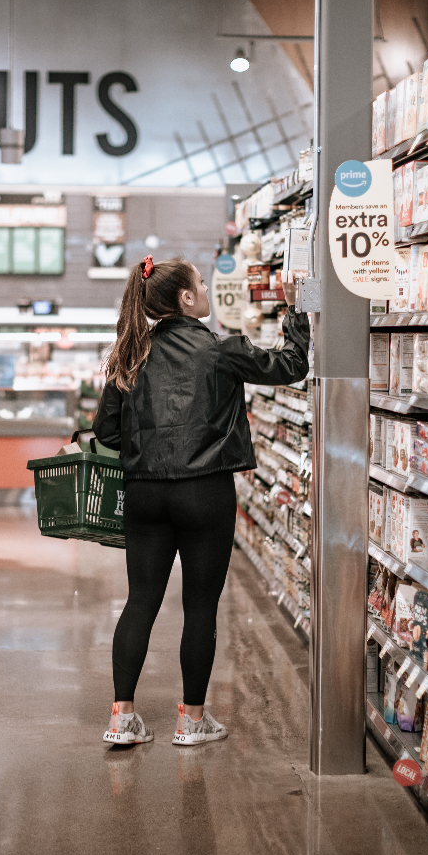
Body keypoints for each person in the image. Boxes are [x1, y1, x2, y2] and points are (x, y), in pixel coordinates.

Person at [94, 255, 310, 747]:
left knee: (140, 603)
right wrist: (297, 312)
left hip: (144, 495)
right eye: (203, 284)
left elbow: (106, 430)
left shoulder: (131, 354)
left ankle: (122, 717)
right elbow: (290, 367)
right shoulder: (220, 350)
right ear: (186, 299)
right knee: (199, 607)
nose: (209, 290)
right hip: (204, 492)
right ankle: (192, 720)